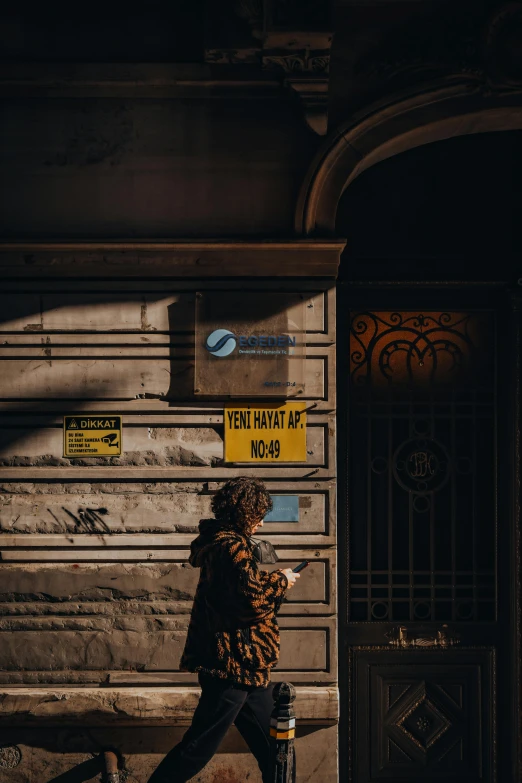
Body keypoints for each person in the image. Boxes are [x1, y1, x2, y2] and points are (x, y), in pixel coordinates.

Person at [147, 476, 300, 783]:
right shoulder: (231, 548)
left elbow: (240, 596)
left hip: (246, 667)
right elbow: (251, 601)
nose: (261, 524)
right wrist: (281, 580)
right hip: (231, 667)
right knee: (197, 749)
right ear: (245, 513)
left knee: (276, 748)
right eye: (258, 516)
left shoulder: (224, 545)